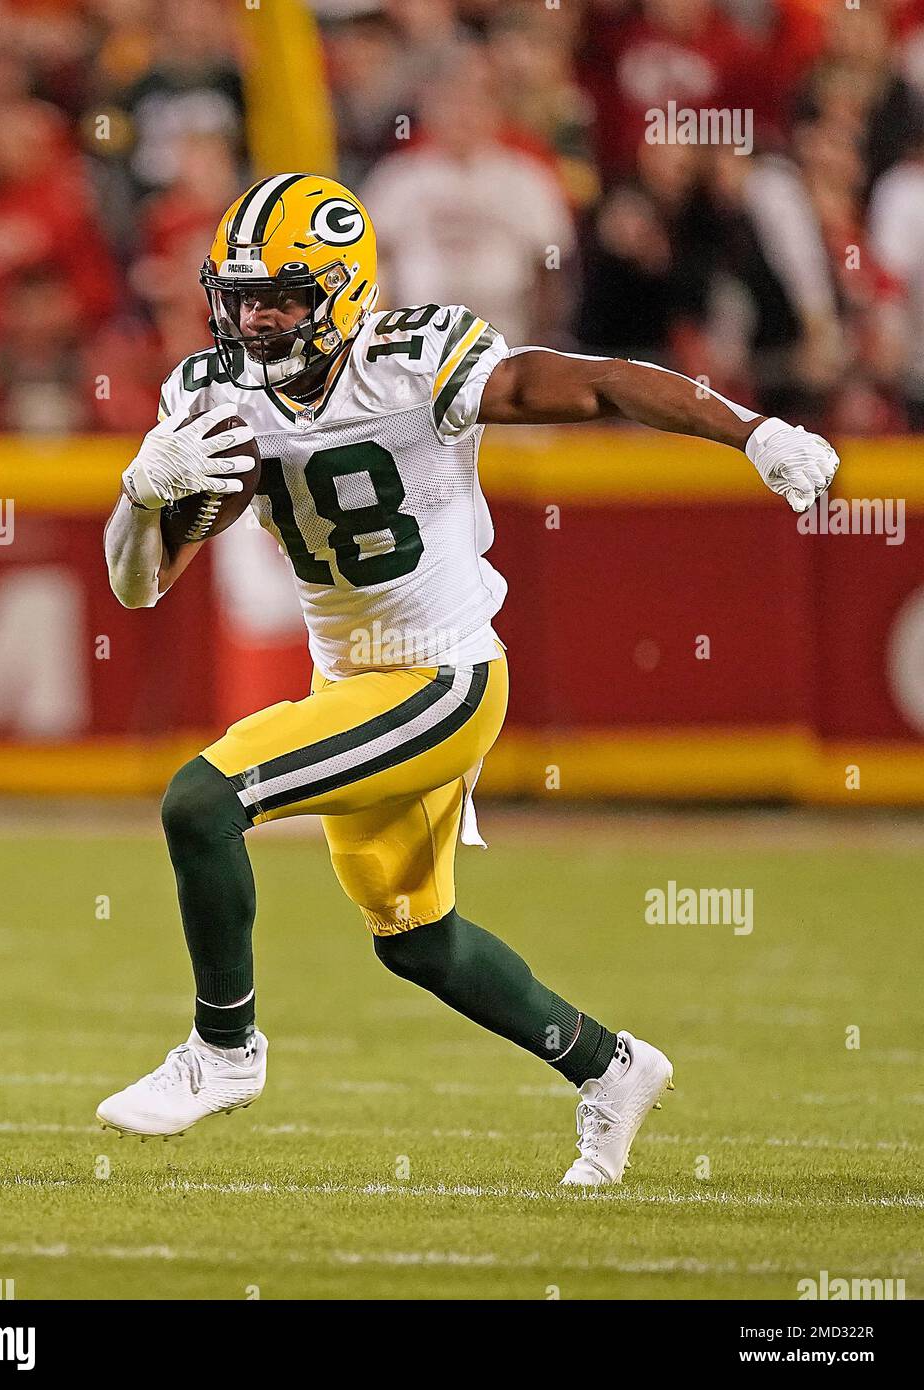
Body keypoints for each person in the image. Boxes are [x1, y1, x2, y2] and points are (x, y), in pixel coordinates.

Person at [99, 174, 838, 1187]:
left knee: (201, 799)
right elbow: (139, 583)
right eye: (241, 296)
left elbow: (594, 381)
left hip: (440, 679)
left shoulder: (414, 365)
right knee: (417, 941)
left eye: (281, 296)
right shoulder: (211, 398)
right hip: (350, 686)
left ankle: (224, 1051)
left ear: (344, 294)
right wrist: (141, 495)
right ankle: (611, 1067)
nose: (257, 318)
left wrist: (750, 430)